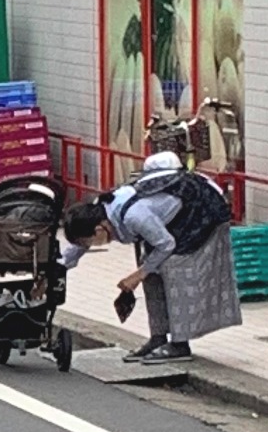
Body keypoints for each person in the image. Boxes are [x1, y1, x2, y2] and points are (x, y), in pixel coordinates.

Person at [61, 152, 240, 362]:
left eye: (90, 241)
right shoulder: (99, 210)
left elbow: (166, 245)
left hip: (201, 210)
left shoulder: (134, 216)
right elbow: (78, 246)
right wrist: (57, 268)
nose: (90, 246)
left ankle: (179, 345)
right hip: (172, 220)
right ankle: (158, 337)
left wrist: (137, 275)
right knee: (152, 273)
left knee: (173, 269)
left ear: (100, 229)